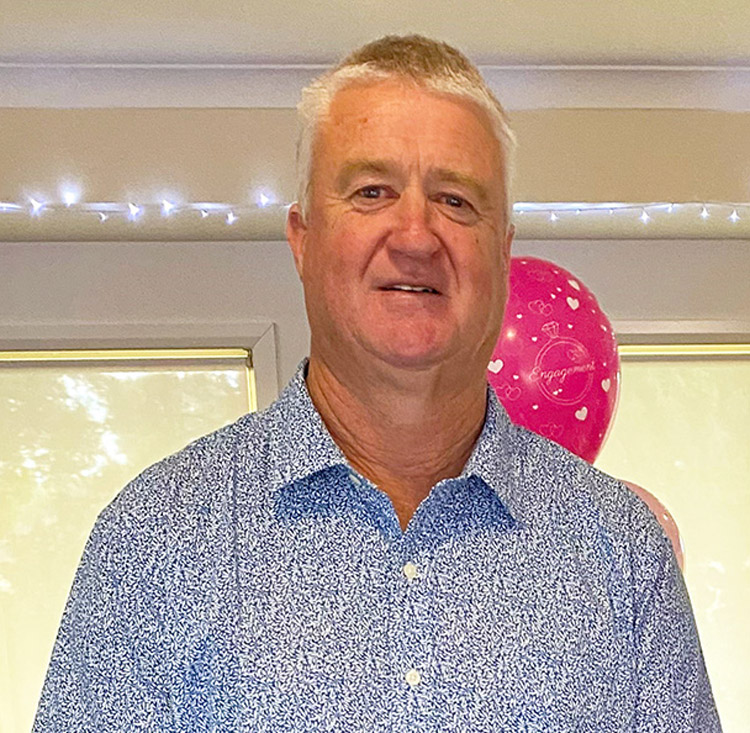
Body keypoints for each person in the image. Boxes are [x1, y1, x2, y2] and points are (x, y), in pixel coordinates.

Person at [34, 35, 721, 731]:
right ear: (303, 239)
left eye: (456, 200)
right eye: (372, 192)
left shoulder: (622, 553)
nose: (416, 235)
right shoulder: (155, 540)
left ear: (501, 251)